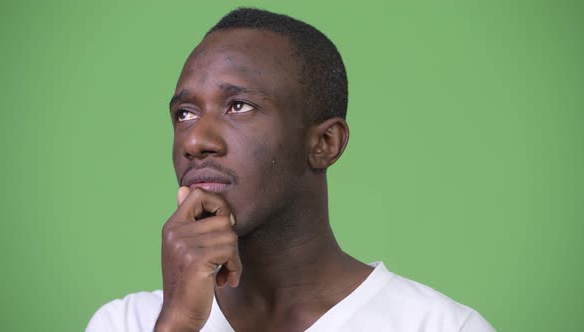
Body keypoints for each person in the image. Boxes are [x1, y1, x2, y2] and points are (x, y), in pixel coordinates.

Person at [87, 8, 495, 332]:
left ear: (324, 144)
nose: (195, 141)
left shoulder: (440, 326)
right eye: (185, 113)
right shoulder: (128, 323)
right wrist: (178, 324)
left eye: (238, 106)